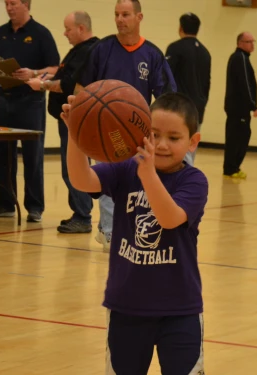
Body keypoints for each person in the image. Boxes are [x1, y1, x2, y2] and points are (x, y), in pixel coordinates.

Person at [63, 92, 208, 375]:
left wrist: (147, 175)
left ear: (192, 141)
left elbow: (168, 218)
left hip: (180, 308)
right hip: (127, 305)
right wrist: (76, 134)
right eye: (155, 134)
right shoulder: (127, 168)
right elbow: (82, 181)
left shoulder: (192, 182)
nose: (161, 144)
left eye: (173, 137)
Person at [77, 0, 175, 252]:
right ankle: (110, 233)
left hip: (137, 132)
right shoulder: (102, 49)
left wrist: (155, 130)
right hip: (104, 130)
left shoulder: (152, 55)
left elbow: (166, 98)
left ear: (139, 17)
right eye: (117, 14)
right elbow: (82, 88)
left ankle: (132, 230)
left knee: (139, 185)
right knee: (109, 180)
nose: (120, 19)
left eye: (126, 14)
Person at [0, 0, 60, 223]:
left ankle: (35, 207)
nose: (9, 8)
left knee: (32, 155)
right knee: (1, 154)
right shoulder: (0, 33)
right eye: (7, 4)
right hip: (4, 101)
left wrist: (34, 72)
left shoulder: (41, 34)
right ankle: (5, 204)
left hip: (31, 102)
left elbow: (54, 68)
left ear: (26, 4)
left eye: (14, 3)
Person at [26, 11, 98, 234]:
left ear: (81, 29)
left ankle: (83, 216)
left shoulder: (89, 51)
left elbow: (70, 85)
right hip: (68, 118)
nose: (65, 33)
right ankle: (78, 212)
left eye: (68, 29)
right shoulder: (78, 51)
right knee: (70, 168)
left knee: (75, 167)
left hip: (77, 118)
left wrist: (42, 85)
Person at [165, 12, 211, 166]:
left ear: (181, 28)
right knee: (190, 147)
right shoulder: (206, 53)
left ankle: (180, 183)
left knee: (176, 150)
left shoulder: (175, 48)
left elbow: (167, 77)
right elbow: (207, 84)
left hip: (178, 108)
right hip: (198, 108)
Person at [223, 32, 257, 179]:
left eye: (252, 41)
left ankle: (232, 168)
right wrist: (253, 105)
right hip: (239, 109)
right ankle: (231, 169)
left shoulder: (241, 58)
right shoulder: (240, 58)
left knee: (237, 137)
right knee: (238, 138)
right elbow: (245, 84)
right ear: (240, 43)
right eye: (248, 41)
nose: (252, 44)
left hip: (236, 108)